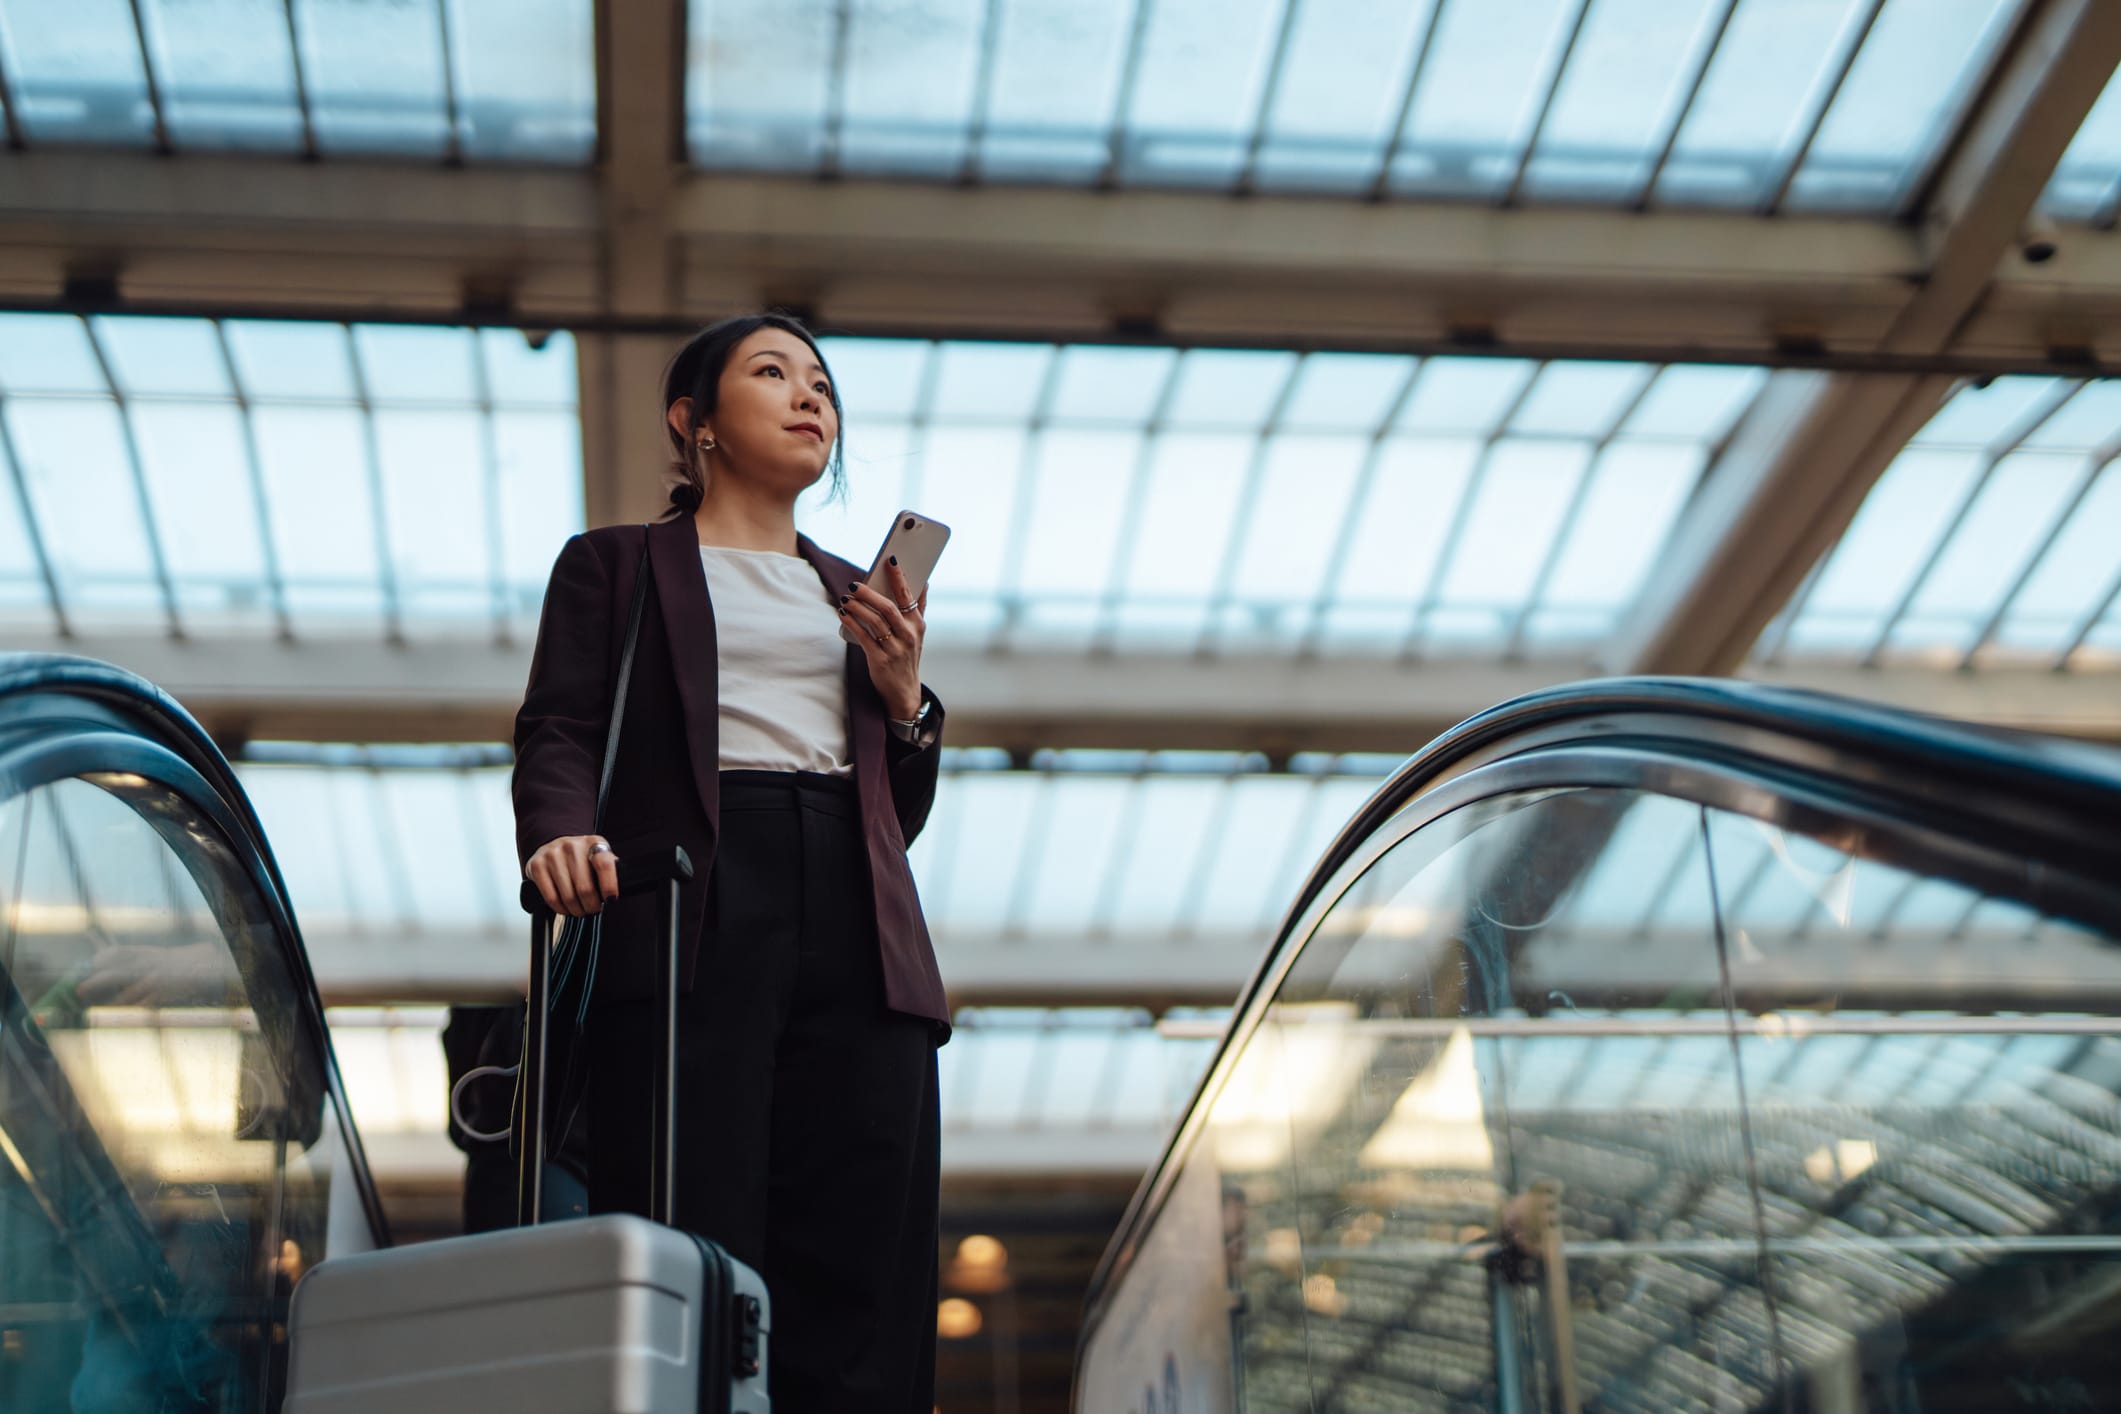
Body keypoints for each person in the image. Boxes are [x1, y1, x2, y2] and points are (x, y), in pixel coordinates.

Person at [512, 312, 948, 1410]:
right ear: (691, 421)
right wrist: (560, 832)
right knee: (692, 1223)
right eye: (772, 374)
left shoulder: (859, 590)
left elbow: (899, 810)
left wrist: (907, 704)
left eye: (822, 385)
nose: (812, 399)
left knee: (859, 1242)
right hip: (691, 903)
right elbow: (559, 725)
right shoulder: (615, 564)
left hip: (859, 917)